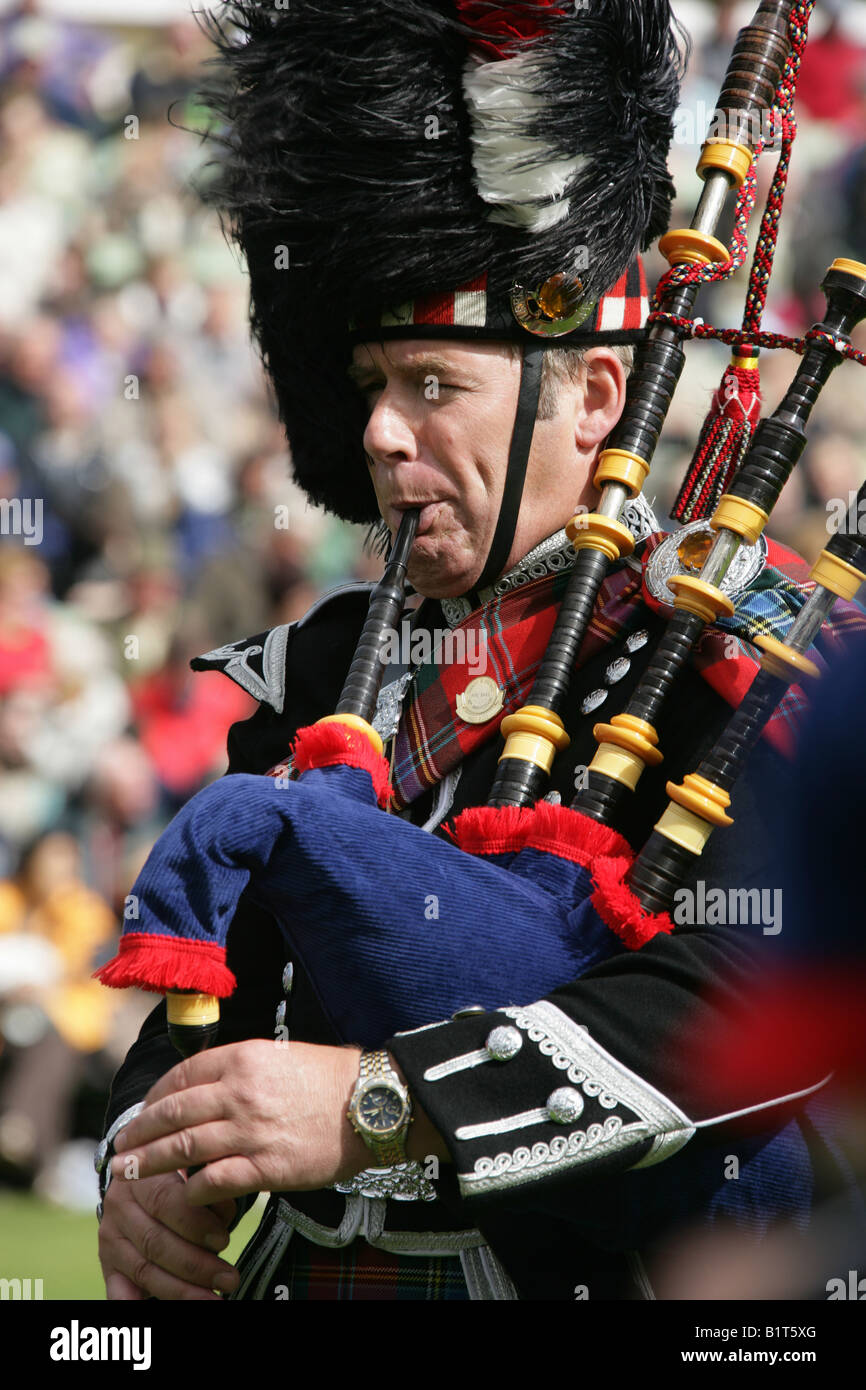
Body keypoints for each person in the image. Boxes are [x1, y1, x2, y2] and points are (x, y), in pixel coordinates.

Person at [95, 1, 866, 1301]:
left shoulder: (730, 648)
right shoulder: (317, 670)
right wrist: (141, 1160)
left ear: (596, 398)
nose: (383, 434)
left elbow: (744, 1000)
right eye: (373, 385)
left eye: (434, 384)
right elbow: (218, 993)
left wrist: (384, 1105)